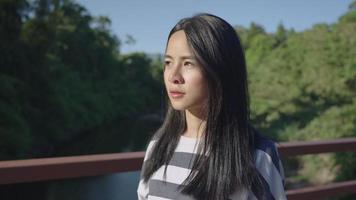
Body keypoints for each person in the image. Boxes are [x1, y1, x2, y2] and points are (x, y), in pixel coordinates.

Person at [137, 13, 286, 200]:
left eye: (188, 63)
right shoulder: (158, 146)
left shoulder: (258, 155)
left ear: (220, 71)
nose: (173, 76)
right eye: (168, 62)